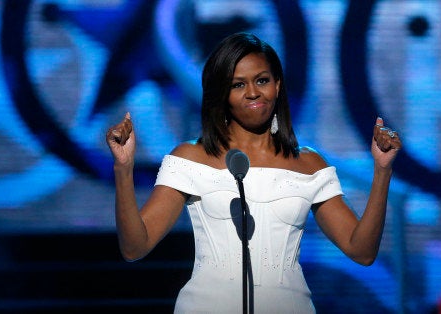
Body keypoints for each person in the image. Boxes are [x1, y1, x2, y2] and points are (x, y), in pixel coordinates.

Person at [105, 32, 402, 313]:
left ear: (277, 85)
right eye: (237, 84)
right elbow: (135, 247)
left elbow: (361, 251)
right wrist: (123, 168)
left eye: (262, 80)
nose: (252, 93)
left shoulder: (309, 165)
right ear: (222, 93)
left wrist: (382, 171)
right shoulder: (191, 158)